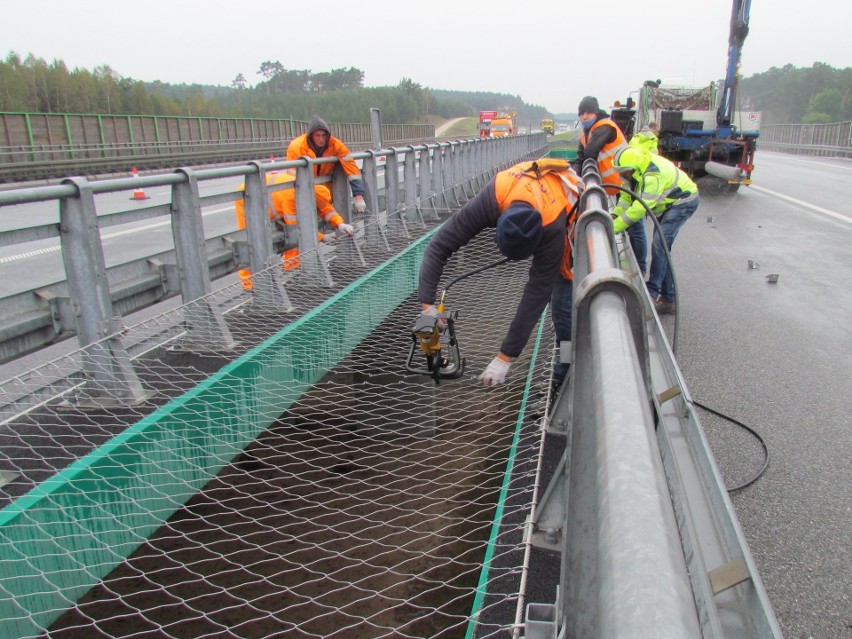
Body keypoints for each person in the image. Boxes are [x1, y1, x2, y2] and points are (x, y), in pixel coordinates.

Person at [417, 159, 582, 387]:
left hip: (571, 231)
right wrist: (427, 305)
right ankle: (565, 368)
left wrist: (505, 357)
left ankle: (566, 374)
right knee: (559, 309)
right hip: (528, 191)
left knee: (564, 313)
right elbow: (439, 246)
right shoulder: (495, 195)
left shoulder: (552, 228)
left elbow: (536, 294)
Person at [610, 146, 700, 315]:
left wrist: (612, 228)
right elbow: (626, 199)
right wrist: (614, 215)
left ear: (633, 168)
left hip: (683, 202)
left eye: (625, 172)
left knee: (660, 245)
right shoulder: (633, 172)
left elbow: (639, 209)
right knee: (663, 249)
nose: (623, 176)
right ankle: (669, 300)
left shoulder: (652, 175)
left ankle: (652, 292)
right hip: (669, 203)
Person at [234, 172, 354, 289]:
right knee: (249, 242)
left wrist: (340, 224)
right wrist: (322, 237)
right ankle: (250, 285)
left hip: (268, 196)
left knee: (292, 242)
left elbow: (326, 209)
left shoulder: (311, 190)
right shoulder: (292, 197)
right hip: (248, 197)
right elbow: (296, 228)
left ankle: (292, 273)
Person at [572, 95, 647, 276]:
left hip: (627, 182)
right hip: (615, 186)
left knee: (635, 226)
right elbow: (581, 158)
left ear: (596, 113)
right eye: (581, 113)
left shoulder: (605, 127)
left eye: (588, 112)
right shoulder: (586, 133)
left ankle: (640, 269)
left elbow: (589, 152)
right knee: (630, 225)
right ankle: (635, 264)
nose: (584, 117)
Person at [286, 115, 367, 214]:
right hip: (303, 194)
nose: (321, 139)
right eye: (318, 135)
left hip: (325, 194)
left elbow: (352, 169)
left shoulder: (335, 144)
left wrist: (359, 196)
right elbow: (293, 177)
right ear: (311, 135)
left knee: (328, 218)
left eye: (324, 135)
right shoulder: (297, 147)